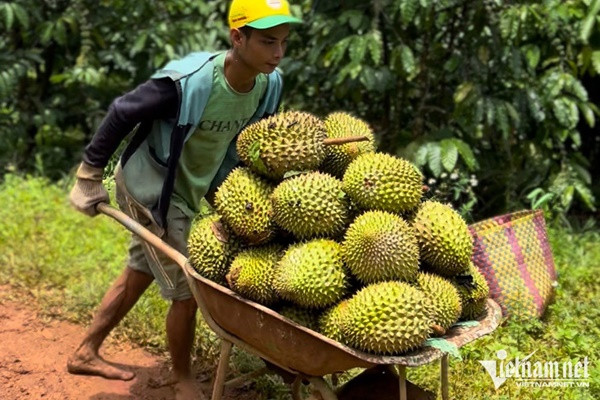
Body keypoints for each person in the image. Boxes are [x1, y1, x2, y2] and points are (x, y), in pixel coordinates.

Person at [67, 1, 301, 398]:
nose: (277, 53)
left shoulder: (268, 84)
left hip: (194, 186)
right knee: (187, 287)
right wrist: (88, 175)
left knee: (141, 268)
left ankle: (85, 351)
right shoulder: (187, 82)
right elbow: (123, 111)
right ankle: (182, 378)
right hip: (151, 188)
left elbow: (249, 145)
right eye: (266, 42)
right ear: (237, 38)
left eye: (282, 42)